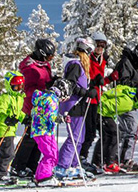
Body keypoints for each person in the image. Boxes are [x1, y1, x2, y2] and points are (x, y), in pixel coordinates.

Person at [54, 37, 98, 180]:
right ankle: (62, 166)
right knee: (74, 138)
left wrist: (91, 86)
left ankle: (73, 165)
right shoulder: (75, 65)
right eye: (89, 52)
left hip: (78, 104)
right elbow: (70, 86)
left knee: (80, 137)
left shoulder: (78, 65)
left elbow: (80, 84)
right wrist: (86, 93)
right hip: (72, 105)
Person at [12, 38, 56, 179]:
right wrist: (45, 89)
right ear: (40, 53)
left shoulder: (43, 65)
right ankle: (18, 166)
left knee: (38, 139)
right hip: (31, 106)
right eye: (48, 56)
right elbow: (28, 90)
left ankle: (31, 166)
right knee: (30, 137)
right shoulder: (30, 68)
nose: (50, 59)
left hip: (42, 107)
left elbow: (45, 80)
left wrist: (52, 82)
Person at [108, 42, 138, 172]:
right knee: (132, 130)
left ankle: (118, 159)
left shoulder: (134, 63)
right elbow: (122, 82)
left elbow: (133, 80)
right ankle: (123, 160)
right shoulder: (125, 63)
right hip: (123, 102)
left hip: (131, 102)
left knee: (125, 131)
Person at [31, 78, 73, 187]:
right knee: (51, 155)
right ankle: (44, 177)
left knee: (49, 154)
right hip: (45, 131)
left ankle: (41, 175)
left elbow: (42, 113)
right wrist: (61, 119)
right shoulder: (52, 99)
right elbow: (48, 115)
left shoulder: (45, 97)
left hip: (40, 130)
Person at [79, 32, 109, 173]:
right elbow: (85, 76)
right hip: (88, 98)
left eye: (103, 45)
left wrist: (105, 80)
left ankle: (88, 158)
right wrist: (93, 82)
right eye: (98, 44)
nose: (100, 48)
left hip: (97, 98)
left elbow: (101, 79)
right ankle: (81, 157)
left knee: (95, 131)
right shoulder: (88, 58)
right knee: (88, 131)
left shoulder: (102, 59)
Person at [0, 71, 26, 184]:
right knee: (8, 153)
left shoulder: (19, 98)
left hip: (10, 129)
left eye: (21, 85)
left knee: (3, 152)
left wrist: (25, 119)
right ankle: (0, 175)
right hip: (2, 128)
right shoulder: (5, 98)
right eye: (16, 85)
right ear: (9, 85)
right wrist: (6, 119)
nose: (19, 88)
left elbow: (19, 112)